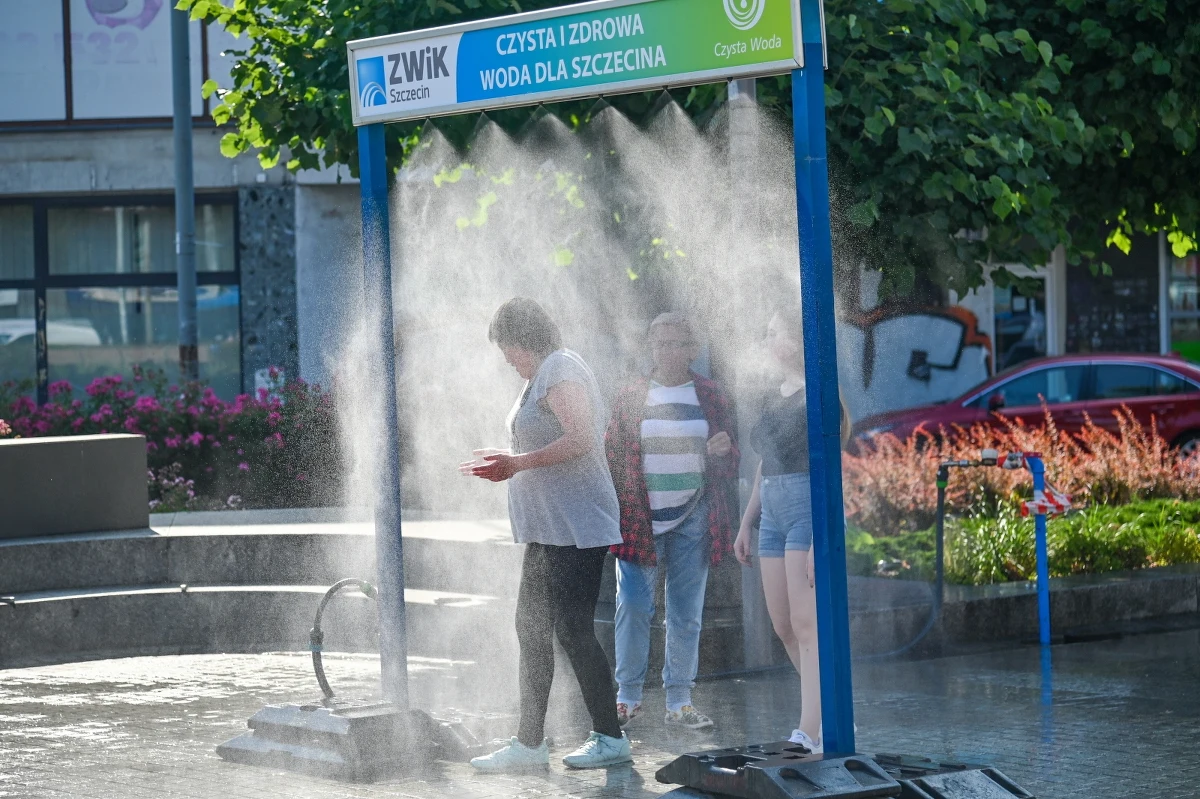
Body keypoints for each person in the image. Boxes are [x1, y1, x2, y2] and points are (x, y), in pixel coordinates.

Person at [464, 297, 632, 772]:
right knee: (532, 627)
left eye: (507, 346)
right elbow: (545, 440)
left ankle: (609, 737)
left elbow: (581, 438)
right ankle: (530, 742)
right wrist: (509, 458)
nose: (505, 357)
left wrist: (516, 463)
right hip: (551, 528)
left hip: (576, 526)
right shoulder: (541, 376)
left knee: (572, 630)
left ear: (524, 338)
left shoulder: (560, 367)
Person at [604, 312, 739, 730]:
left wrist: (724, 451)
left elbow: (730, 460)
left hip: (694, 514)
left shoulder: (711, 395)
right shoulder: (631, 394)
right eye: (658, 343)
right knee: (632, 606)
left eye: (675, 343)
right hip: (640, 519)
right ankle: (626, 698)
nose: (665, 351)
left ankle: (679, 700)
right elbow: (612, 456)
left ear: (692, 349)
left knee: (686, 613)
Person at [733, 307, 851, 754]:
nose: (767, 342)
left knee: (806, 624)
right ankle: (829, 712)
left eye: (774, 333)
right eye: (766, 333)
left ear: (799, 340)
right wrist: (747, 521)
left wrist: (822, 536)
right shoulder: (771, 394)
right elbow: (767, 464)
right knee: (783, 625)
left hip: (806, 509)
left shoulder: (818, 392)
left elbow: (830, 468)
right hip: (773, 513)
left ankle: (810, 729)